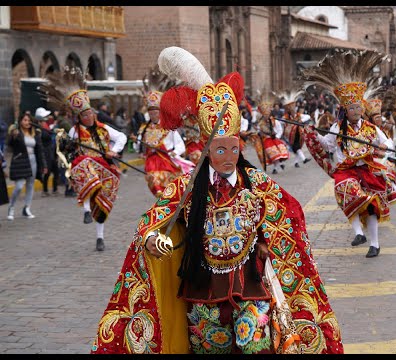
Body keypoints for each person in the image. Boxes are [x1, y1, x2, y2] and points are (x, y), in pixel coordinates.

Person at [91, 46, 343, 355]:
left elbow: (289, 217)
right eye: (219, 149)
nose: (227, 157)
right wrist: (153, 239)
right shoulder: (187, 188)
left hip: (251, 284)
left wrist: (267, 241)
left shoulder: (258, 184)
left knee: (254, 346)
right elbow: (152, 221)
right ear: (206, 149)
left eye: (233, 149)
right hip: (203, 287)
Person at [302, 49, 395, 258]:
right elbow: (327, 146)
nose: (355, 111)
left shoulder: (371, 128)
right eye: (351, 109)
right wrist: (314, 133)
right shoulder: (338, 128)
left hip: (368, 168)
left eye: (357, 108)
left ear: (361, 108)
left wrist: (385, 148)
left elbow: (386, 140)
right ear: (345, 110)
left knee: (371, 208)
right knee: (345, 192)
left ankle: (375, 244)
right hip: (346, 171)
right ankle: (358, 233)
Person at [40, 66, 127, 251]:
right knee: (88, 170)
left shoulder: (104, 129)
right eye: (85, 115)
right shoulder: (74, 131)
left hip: (104, 165)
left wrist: (114, 151)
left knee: (102, 205)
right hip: (84, 166)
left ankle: (99, 237)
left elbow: (122, 137)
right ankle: (86, 210)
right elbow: (65, 148)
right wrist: (65, 143)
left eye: (90, 113)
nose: (89, 116)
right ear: (80, 117)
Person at [132, 65, 194, 197]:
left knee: (172, 190)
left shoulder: (168, 127)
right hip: (152, 160)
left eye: (156, 112)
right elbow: (138, 147)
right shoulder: (144, 129)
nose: (154, 115)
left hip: (167, 159)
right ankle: (159, 193)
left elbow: (180, 145)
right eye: (151, 112)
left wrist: (174, 152)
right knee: (153, 178)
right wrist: (137, 142)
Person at [6, 111, 47, 220]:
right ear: (20, 121)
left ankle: (27, 208)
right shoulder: (16, 133)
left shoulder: (35, 133)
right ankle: (11, 207)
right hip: (20, 161)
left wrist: (44, 165)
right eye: (25, 120)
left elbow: (40, 150)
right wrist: (12, 135)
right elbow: (9, 144)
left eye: (29, 120)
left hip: (33, 160)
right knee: (19, 186)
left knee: (30, 185)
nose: (27, 122)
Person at [256, 91, 289, 174]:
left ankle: (276, 167)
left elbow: (279, 129)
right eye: (265, 113)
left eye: (268, 112)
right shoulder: (261, 123)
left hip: (275, 139)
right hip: (267, 140)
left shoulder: (274, 121)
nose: (267, 114)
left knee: (279, 153)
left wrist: (277, 136)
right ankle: (277, 166)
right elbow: (259, 130)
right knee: (273, 154)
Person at [280, 91, 312, 168]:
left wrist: (301, 121)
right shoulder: (285, 117)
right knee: (296, 148)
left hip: (298, 134)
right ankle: (304, 159)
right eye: (290, 109)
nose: (292, 110)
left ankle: (296, 163)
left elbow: (308, 116)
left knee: (298, 148)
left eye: (293, 108)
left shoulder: (298, 115)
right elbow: (281, 122)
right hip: (290, 135)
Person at [34, 107, 60, 197]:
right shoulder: (38, 130)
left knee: (56, 171)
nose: (46, 119)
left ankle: (55, 189)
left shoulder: (46, 126)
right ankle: (45, 190)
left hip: (51, 151)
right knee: (47, 172)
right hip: (46, 153)